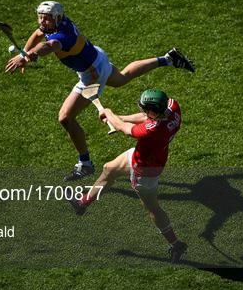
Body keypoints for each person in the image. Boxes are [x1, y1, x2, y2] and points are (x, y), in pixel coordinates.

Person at [5, 1, 195, 181]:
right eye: (40, 17)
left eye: (46, 18)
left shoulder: (62, 37)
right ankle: (168, 59)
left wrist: (30, 56)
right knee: (121, 78)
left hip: (92, 73)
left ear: (56, 17)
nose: (42, 21)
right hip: (97, 57)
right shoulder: (55, 24)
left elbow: (47, 46)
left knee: (65, 117)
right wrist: (24, 53)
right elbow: (38, 35)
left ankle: (85, 163)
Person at [66, 89, 188, 263]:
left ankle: (176, 244)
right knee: (109, 169)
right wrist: (119, 117)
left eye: (146, 108)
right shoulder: (172, 106)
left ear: (154, 111)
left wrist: (109, 113)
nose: (144, 111)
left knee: (152, 208)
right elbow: (145, 118)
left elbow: (125, 129)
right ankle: (82, 203)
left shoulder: (151, 131)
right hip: (144, 155)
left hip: (144, 170)